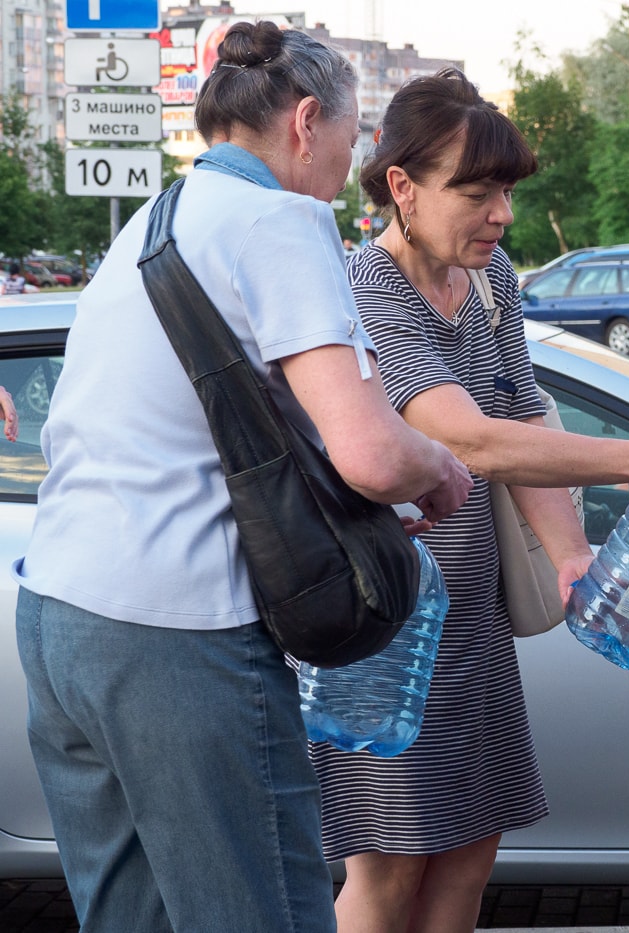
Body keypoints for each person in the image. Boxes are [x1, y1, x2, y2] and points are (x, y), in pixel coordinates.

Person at [13, 23, 474, 933]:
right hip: (176, 633)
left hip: (60, 618)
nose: (346, 176)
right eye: (348, 148)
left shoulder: (152, 222)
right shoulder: (279, 220)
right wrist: (440, 468)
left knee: (130, 918)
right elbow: (373, 452)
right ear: (306, 122)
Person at [317, 68, 629, 933]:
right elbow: (466, 437)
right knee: (390, 865)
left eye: (508, 192)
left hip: (470, 617)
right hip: (385, 626)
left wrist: (570, 554)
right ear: (401, 186)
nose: (502, 214)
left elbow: (521, 411)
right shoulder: (366, 288)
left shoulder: (491, 278)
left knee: (471, 850)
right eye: (476, 191)